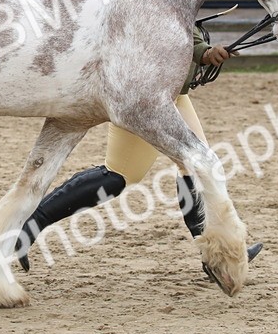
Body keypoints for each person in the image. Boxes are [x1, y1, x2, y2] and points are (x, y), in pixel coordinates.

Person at [17, 26, 263, 275]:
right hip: (144, 96)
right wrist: (205, 52)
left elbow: (180, 22)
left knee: (196, 166)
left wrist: (205, 52)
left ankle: (214, 256)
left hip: (171, 92)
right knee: (120, 174)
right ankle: (30, 225)